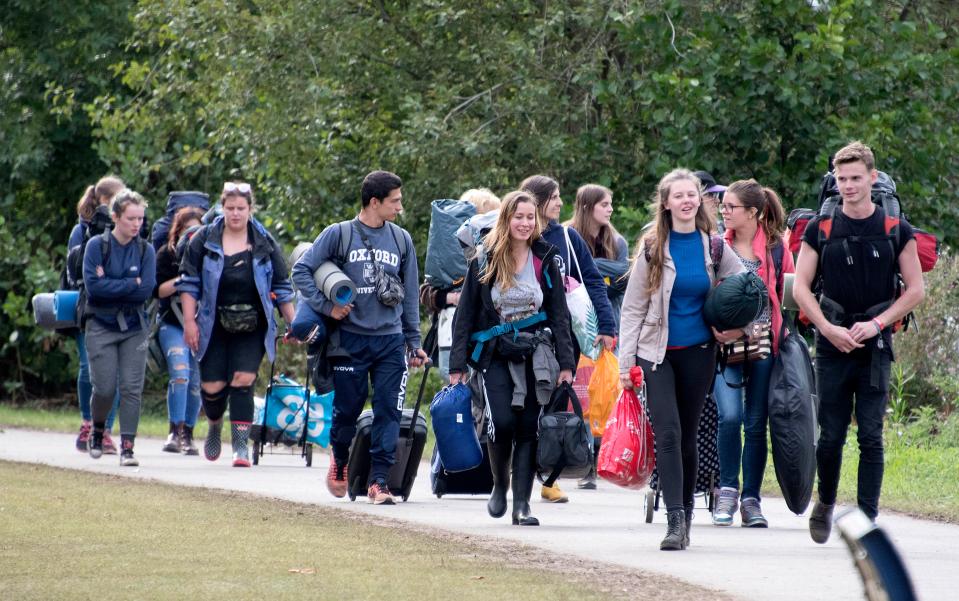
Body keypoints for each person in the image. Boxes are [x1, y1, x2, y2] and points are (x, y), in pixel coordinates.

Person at [793, 141, 924, 543]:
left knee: (871, 434)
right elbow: (800, 288)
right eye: (842, 179)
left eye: (855, 178)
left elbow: (916, 289)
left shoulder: (894, 229)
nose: (848, 186)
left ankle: (867, 520)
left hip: (875, 345)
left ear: (871, 177)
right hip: (832, 343)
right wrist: (828, 330)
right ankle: (826, 502)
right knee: (830, 435)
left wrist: (878, 324)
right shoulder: (821, 227)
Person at [618, 168, 744, 550]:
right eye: (679, 196)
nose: (687, 201)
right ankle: (674, 521)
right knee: (668, 434)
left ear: (700, 201)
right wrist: (626, 365)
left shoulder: (716, 247)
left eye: (692, 195)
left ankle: (687, 515)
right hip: (656, 354)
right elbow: (632, 308)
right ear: (666, 203)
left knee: (687, 436)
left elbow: (747, 289)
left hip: (700, 352)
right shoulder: (654, 247)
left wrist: (734, 328)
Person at [292, 170, 427, 505]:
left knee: (388, 411)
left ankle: (378, 482)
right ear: (374, 202)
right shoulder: (338, 234)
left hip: (390, 341)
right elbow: (301, 271)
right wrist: (328, 306)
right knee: (346, 412)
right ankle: (340, 458)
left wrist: (414, 342)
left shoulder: (401, 239)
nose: (400, 206)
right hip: (349, 341)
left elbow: (409, 296)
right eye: (395, 200)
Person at [448, 190, 575, 526]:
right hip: (494, 353)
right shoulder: (485, 258)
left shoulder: (545, 256)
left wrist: (566, 364)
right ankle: (500, 485)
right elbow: (466, 314)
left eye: (530, 217)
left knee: (529, 427)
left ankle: (522, 505)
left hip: (536, 352)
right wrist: (457, 366)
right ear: (506, 219)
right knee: (502, 423)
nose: (524, 223)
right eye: (518, 217)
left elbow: (560, 314)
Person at [179, 182, 296, 468]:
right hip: (212, 323)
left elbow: (282, 285)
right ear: (222, 208)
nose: (235, 214)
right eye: (229, 208)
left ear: (250, 209)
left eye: (240, 208)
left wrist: (294, 323)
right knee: (212, 386)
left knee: (243, 380)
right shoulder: (203, 239)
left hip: (253, 323)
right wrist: (189, 323)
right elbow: (189, 283)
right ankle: (215, 425)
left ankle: (241, 447)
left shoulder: (264, 241)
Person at [520, 174, 616, 503]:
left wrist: (606, 325)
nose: (561, 203)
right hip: (526, 333)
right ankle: (518, 470)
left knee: (558, 403)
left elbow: (593, 281)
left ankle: (549, 477)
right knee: (528, 403)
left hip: (565, 334)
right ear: (537, 201)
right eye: (555, 197)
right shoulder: (520, 236)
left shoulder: (569, 237)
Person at [710, 179, 795, 527]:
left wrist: (789, 329)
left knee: (756, 422)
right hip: (724, 345)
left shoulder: (776, 249)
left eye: (730, 207)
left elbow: (790, 296)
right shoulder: (716, 248)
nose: (723, 212)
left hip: (763, 347)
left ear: (753, 213)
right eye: (723, 207)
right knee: (729, 417)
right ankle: (727, 491)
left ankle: (751, 500)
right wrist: (716, 329)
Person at [83, 190, 157, 466]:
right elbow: (95, 289)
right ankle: (98, 428)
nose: (136, 224)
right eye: (130, 218)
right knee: (103, 389)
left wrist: (120, 286)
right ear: (115, 217)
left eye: (140, 218)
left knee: (131, 387)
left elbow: (145, 291)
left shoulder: (145, 250)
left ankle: (128, 447)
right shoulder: (96, 247)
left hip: (134, 326)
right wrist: (130, 284)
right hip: (100, 324)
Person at [564, 183, 629, 489]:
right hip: (574, 326)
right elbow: (571, 278)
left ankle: (601, 454)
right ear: (588, 206)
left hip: (606, 325)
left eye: (612, 203)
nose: (610, 209)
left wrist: (592, 271)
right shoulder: (567, 236)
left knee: (604, 391)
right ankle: (582, 459)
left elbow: (621, 280)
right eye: (605, 204)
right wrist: (602, 275)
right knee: (580, 392)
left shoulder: (617, 241)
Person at [69, 176, 125, 454]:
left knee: (111, 373)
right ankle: (87, 422)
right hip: (88, 307)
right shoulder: (81, 231)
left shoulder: (129, 231)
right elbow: (76, 271)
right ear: (102, 201)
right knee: (87, 368)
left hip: (119, 311)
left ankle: (104, 430)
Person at [153, 206, 205, 455]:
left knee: (196, 382)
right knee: (180, 374)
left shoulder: (210, 257)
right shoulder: (166, 254)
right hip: (172, 323)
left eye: (196, 230)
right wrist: (182, 280)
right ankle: (174, 430)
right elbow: (157, 290)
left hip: (201, 326)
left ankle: (189, 434)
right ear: (178, 231)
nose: (191, 235)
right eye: (187, 230)